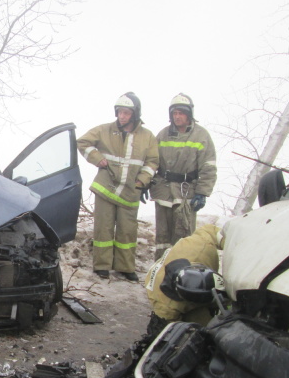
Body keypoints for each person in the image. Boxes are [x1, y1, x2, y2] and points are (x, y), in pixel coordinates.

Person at [77, 92, 159, 282]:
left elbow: (153, 161)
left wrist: (142, 181)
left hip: (131, 191)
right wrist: (98, 159)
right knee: (103, 229)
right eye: (120, 112)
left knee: (127, 231)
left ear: (135, 114)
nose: (122, 116)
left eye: (126, 113)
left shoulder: (147, 137)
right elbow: (82, 142)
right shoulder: (105, 130)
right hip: (106, 188)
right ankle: (102, 266)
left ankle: (125, 267)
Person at [147, 93, 217, 259]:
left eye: (181, 113)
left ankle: (182, 269)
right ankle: (161, 268)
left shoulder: (201, 136)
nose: (177, 117)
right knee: (163, 236)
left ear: (189, 114)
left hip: (186, 192)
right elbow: (151, 160)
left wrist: (202, 192)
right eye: (174, 113)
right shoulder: (163, 134)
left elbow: (209, 167)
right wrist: (145, 181)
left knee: (183, 234)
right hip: (163, 190)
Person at [143, 222, 225, 339]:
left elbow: (211, 231)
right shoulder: (168, 306)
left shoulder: (201, 244)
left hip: (178, 265)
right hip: (160, 287)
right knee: (198, 332)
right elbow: (165, 334)